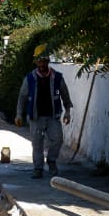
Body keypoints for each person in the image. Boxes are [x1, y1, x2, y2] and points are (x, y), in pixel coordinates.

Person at [16, 47, 73, 179]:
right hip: (36, 117)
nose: (42, 64)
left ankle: (51, 161)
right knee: (37, 143)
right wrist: (19, 114)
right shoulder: (29, 78)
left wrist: (67, 112)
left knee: (57, 139)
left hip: (53, 116)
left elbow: (65, 96)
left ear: (48, 61)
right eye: (39, 62)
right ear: (36, 63)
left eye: (44, 61)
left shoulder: (57, 77)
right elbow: (22, 97)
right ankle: (38, 168)